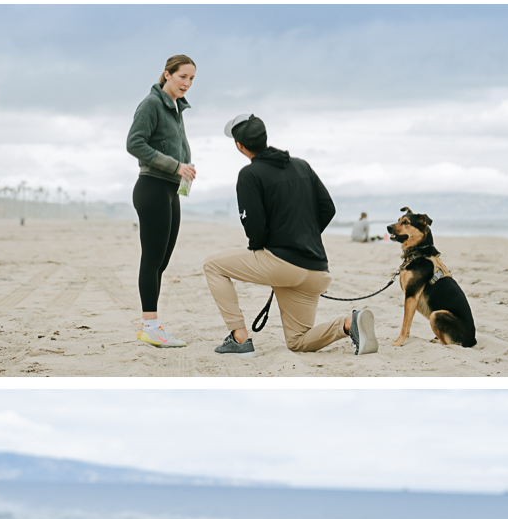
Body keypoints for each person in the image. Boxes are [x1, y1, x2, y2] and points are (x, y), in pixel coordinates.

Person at [203, 115, 378, 359]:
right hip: (317, 270)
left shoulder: (249, 174)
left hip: (282, 265)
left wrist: (273, 246)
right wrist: (302, 237)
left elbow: (256, 231)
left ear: (239, 145)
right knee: (298, 342)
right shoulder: (301, 165)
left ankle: (239, 339)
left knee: (212, 264)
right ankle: (349, 324)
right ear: (265, 137)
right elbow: (328, 208)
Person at [126, 55, 198, 349]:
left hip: (171, 189)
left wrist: (185, 175)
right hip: (152, 188)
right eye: (183, 77)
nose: (187, 84)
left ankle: (151, 324)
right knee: (152, 259)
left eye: (192, 79)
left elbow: (176, 148)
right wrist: (174, 165)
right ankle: (149, 326)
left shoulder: (176, 109)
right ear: (167, 75)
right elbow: (134, 143)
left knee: (162, 260)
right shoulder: (152, 104)